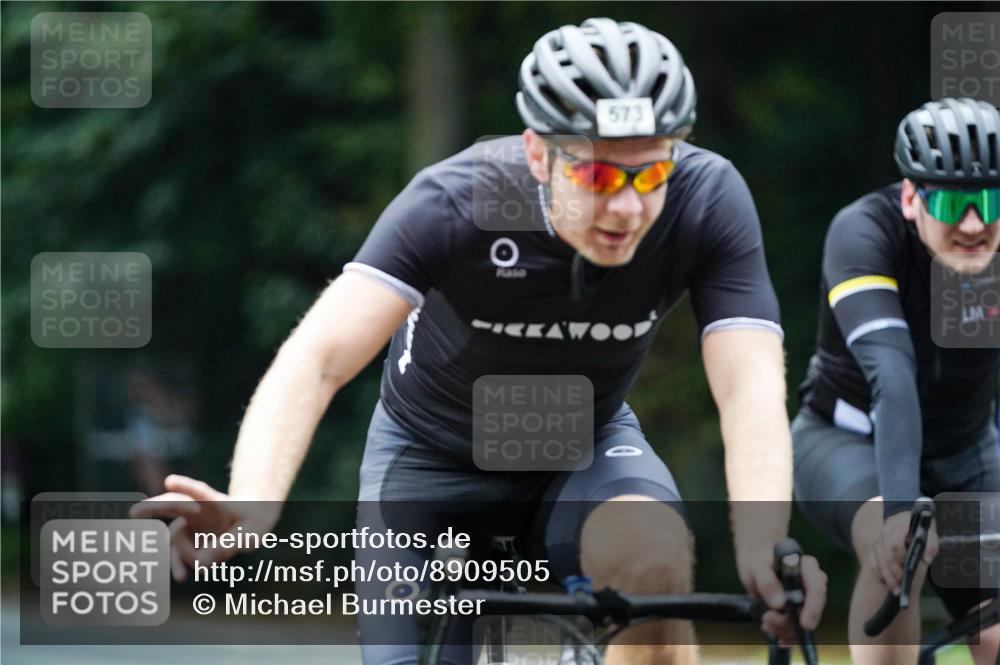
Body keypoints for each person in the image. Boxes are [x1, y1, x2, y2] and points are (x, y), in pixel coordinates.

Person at [134, 18, 826, 664]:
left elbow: (749, 388)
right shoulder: (457, 200)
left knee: (655, 563)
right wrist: (254, 502)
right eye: (597, 175)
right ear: (537, 154)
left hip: (584, 446)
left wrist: (765, 545)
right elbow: (316, 359)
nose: (627, 206)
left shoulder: (707, 200)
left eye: (649, 173)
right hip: (430, 456)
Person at [793, 98, 1000, 665]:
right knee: (898, 555)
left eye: (989, 202)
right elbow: (893, 375)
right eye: (955, 203)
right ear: (912, 198)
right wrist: (901, 512)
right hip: (846, 440)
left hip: (966, 447)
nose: (974, 225)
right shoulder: (862, 232)